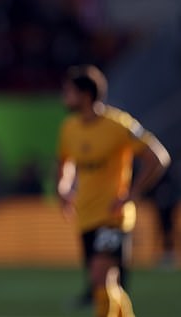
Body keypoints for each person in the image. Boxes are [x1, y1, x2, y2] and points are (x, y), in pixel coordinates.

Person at [56, 64, 170, 317]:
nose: (65, 96)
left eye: (69, 91)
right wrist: (63, 189)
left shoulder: (119, 124)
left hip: (113, 215)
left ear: (85, 95)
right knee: (108, 283)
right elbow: (65, 164)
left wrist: (132, 193)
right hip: (85, 215)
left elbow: (158, 157)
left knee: (100, 278)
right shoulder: (69, 128)